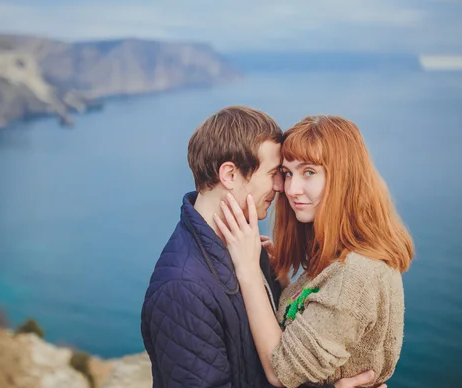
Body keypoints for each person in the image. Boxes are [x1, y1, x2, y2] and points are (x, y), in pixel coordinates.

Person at [141, 107, 387, 388]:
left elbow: (275, 357)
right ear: (230, 175)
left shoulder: (248, 250)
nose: (282, 187)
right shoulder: (183, 288)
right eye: (275, 173)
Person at [215, 115, 414, 387]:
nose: (291, 189)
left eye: (309, 172)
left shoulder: (357, 274)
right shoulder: (337, 257)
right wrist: (284, 283)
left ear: (343, 178)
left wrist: (248, 270)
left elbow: (281, 371)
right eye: (287, 173)